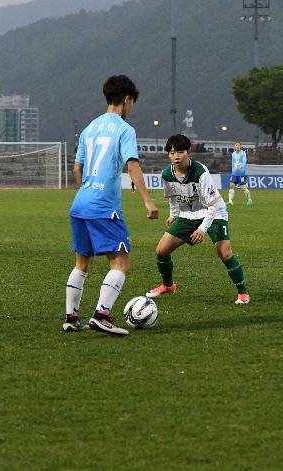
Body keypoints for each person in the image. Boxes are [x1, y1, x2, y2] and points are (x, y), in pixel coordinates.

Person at [63, 75, 159, 336]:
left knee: (82, 263)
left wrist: (87, 188)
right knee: (120, 262)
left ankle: (71, 318)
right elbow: (132, 165)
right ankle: (101, 315)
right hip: (104, 206)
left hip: (80, 203)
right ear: (127, 99)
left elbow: (77, 168)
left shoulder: (89, 128)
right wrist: (148, 200)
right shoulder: (124, 130)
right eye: (132, 103)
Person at [146, 134, 250, 304]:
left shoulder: (200, 172)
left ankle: (242, 292)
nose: (176, 156)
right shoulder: (166, 173)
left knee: (224, 253)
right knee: (161, 251)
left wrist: (202, 229)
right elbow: (172, 196)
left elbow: (212, 205)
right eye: (172, 153)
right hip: (188, 215)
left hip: (214, 212)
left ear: (189, 152)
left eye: (180, 152)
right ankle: (168, 285)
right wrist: (173, 214)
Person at [227, 141, 252, 205]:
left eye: (238, 145)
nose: (237, 146)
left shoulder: (243, 153)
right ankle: (230, 201)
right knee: (231, 186)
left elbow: (244, 162)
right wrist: (233, 170)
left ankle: (249, 200)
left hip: (241, 174)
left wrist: (239, 167)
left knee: (244, 188)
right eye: (236, 145)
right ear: (234, 147)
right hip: (234, 174)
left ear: (240, 146)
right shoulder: (233, 154)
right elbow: (233, 163)